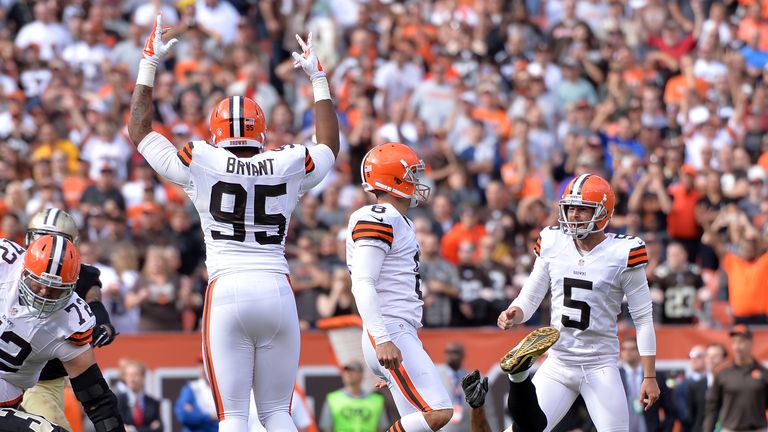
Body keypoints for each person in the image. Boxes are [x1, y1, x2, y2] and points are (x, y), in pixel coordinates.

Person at [127, 14, 339, 432]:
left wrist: (148, 65)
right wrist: (319, 81)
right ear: (260, 133)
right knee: (278, 412)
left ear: (215, 132)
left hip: (228, 289)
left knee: (234, 417)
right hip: (277, 287)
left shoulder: (200, 158)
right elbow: (329, 146)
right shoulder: (287, 161)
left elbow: (140, 131)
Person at [497, 173, 660, 431]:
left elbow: (642, 318)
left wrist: (649, 375)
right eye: (570, 207)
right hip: (558, 362)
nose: (573, 215)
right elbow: (531, 295)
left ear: (604, 213)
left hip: (600, 365)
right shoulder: (553, 242)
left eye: (583, 209)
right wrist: (515, 311)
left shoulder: (623, 253)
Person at [346, 142, 453, 432]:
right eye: (411, 175)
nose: (417, 182)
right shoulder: (379, 217)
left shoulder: (400, 220)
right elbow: (363, 282)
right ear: (394, 179)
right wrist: (383, 339)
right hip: (390, 330)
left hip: (397, 330)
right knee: (440, 411)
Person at [0, 235, 124, 431]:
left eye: (54, 290)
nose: (43, 293)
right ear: (24, 271)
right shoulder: (4, 264)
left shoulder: (70, 322)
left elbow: (96, 398)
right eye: (38, 284)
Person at [704, 325, 768, 432]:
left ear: (751, 343)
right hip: (730, 429)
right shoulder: (722, 373)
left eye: (741, 342)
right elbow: (712, 408)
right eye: (734, 342)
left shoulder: (763, 373)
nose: (737, 347)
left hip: (757, 429)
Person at [618, 336, 676, 431]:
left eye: (632, 349)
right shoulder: (615, 376)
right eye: (624, 349)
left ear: (639, 351)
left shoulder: (655, 377)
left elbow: (670, 410)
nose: (627, 352)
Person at [318, 361, 388, 432]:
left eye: (353, 371)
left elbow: (381, 429)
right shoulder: (332, 398)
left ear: (361, 374)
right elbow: (327, 428)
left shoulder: (377, 401)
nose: (348, 374)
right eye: (346, 371)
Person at [116, 359, 162, 432]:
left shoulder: (153, 403)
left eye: (135, 375)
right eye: (129, 375)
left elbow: (159, 428)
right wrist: (148, 428)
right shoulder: (117, 401)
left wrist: (132, 430)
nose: (132, 378)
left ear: (143, 378)